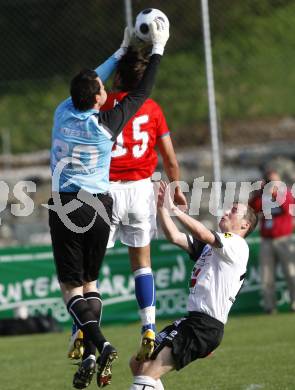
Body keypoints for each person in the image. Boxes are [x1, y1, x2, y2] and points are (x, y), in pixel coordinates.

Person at [48, 21, 169, 389]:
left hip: (67, 205)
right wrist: (158, 48)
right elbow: (142, 90)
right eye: (99, 87)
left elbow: (87, 83)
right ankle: (96, 348)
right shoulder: (106, 125)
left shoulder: (62, 112)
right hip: (101, 206)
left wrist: (118, 52)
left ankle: (97, 345)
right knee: (90, 282)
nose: (103, 85)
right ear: (98, 98)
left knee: (70, 288)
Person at [68, 45, 188, 363]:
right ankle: (148, 328)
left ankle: (81, 330)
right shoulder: (153, 109)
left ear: (118, 75)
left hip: (103, 190)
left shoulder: (103, 103)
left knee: (86, 271)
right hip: (139, 190)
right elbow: (171, 160)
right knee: (142, 263)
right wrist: (175, 190)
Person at [129, 181, 258, 390]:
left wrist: (174, 210)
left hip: (204, 326)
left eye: (234, 211)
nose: (226, 212)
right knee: (137, 364)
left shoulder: (237, 244)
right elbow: (174, 236)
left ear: (245, 225)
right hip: (192, 322)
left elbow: (204, 234)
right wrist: (161, 206)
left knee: (145, 377)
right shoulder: (214, 248)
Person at [249, 168, 295, 314]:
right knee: (266, 275)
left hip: (284, 239)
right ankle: (270, 306)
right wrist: (259, 192)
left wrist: (275, 193)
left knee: (291, 272)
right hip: (267, 240)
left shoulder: (286, 192)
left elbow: (289, 208)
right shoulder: (263, 196)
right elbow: (252, 209)